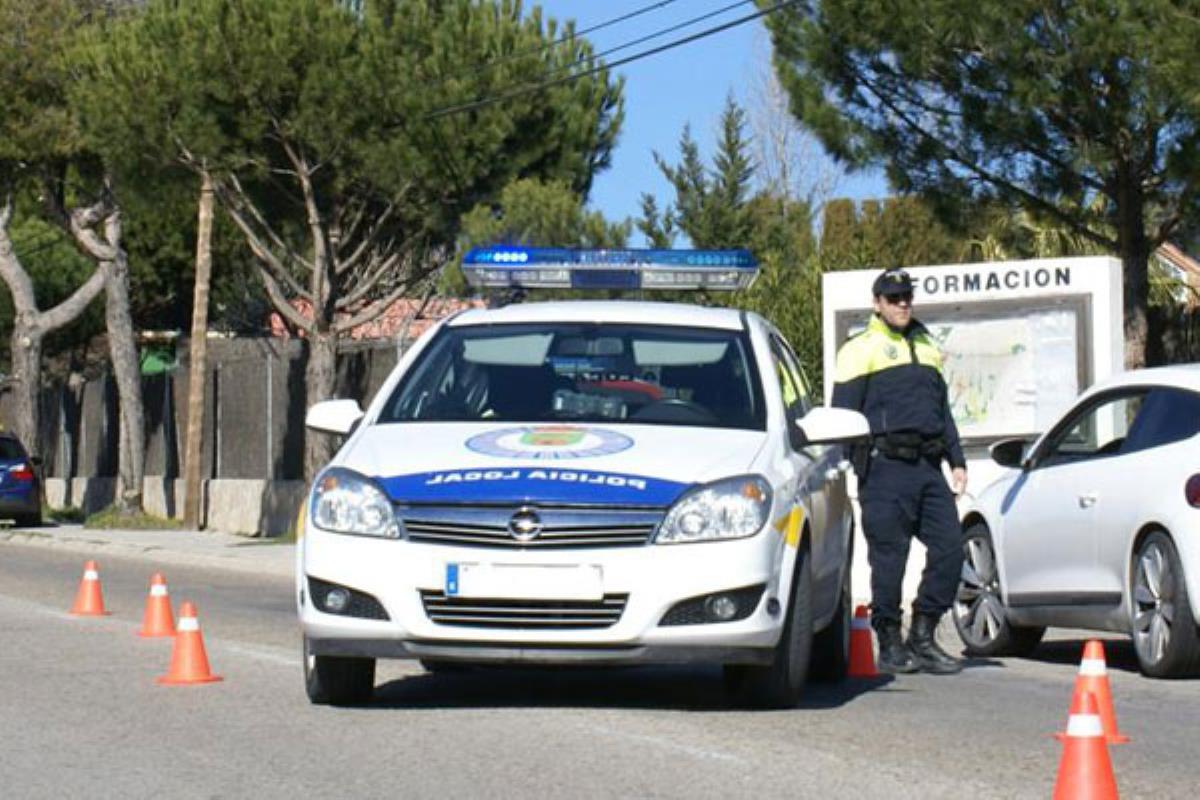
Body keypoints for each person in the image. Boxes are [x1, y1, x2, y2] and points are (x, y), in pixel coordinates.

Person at [831, 268, 967, 675]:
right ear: (877, 304)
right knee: (890, 560)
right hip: (885, 467)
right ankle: (888, 638)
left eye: (906, 297)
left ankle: (923, 633)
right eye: (894, 298)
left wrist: (956, 459)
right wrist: (852, 466)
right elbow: (843, 416)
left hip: (927, 466)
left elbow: (942, 411)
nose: (902, 303)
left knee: (951, 549)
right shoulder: (860, 348)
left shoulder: (926, 343)